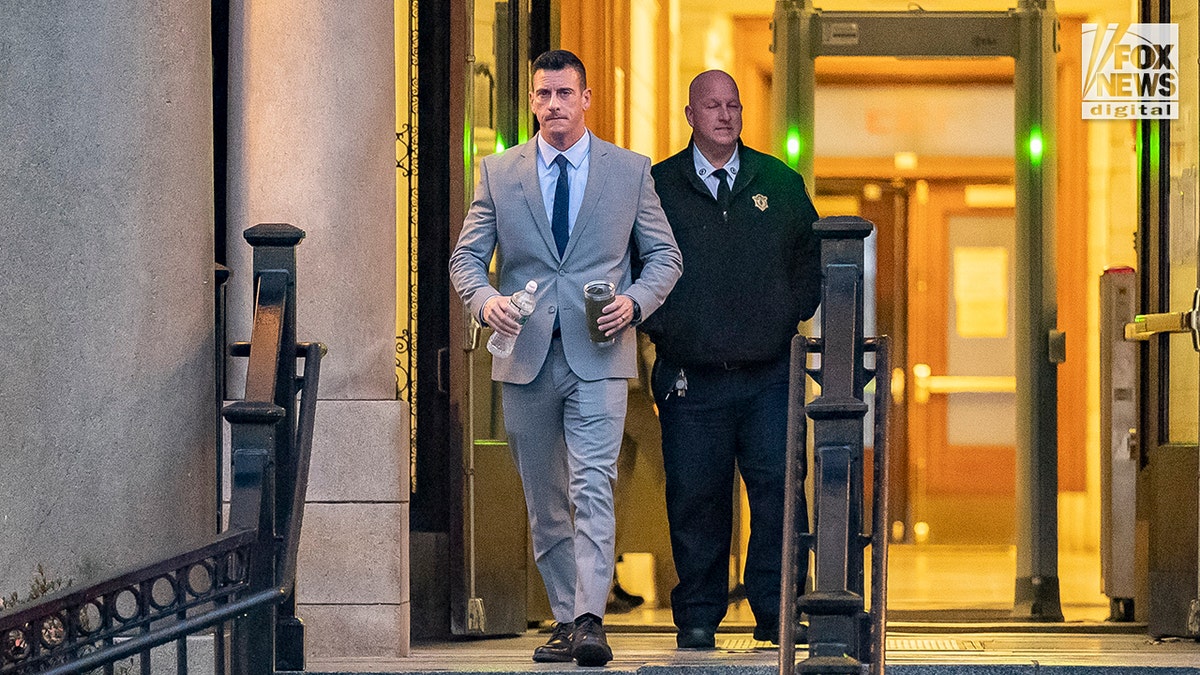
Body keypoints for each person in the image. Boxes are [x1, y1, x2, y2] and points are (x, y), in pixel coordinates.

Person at [449, 49, 682, 667]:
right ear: (531, 100)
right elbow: (466, 259)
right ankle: (564, 616)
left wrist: (633, 304)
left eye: (564, 94)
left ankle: (589, 619)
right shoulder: (500, 172)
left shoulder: (628, 171)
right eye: (543, 94)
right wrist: (484, 300)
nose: (553, 105)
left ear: (586, 100)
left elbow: (666, 258)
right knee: (545, 497)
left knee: (593, 487)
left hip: (601, 356)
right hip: (525, 358)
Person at [640, 69, 821, 649]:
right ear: (690, 114)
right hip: (691, 379)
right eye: (712, 106)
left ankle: (778, 611)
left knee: (779, 492)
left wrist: (784, 313)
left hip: (769, 376)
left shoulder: (781, 183)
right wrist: (667, 327)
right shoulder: (657, 186)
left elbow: (811, 262)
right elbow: (630, 264)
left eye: (734, 105)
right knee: (696, 499)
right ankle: (697, 616)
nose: (725, 115)